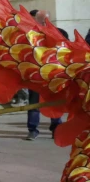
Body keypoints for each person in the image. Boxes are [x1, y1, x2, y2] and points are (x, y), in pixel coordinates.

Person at [25, 9, 63, 141]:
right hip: (36, 75)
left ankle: (56, 128)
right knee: (34, 104)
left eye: (45, 20)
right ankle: (32, 130)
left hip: (54, 75)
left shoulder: (60, 33)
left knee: (54, 103)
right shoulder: (30, 35)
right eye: (40, 20)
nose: (42, 23)